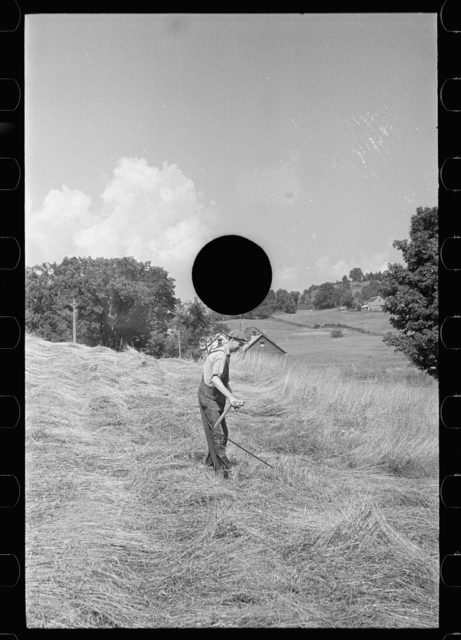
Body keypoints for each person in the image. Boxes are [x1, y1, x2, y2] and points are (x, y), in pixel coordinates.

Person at [197, 329, 247, 477]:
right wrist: (230, 398)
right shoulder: (220, 356)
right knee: (218, 433)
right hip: (208, 396)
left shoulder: (225, 354)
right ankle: (225, 471)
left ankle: (209, 464)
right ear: (232, 340)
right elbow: (215, 379)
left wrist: (233, 397)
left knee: (221, 432)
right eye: (240, 344)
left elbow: (223, 381)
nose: (241, 347)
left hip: (214, 396)